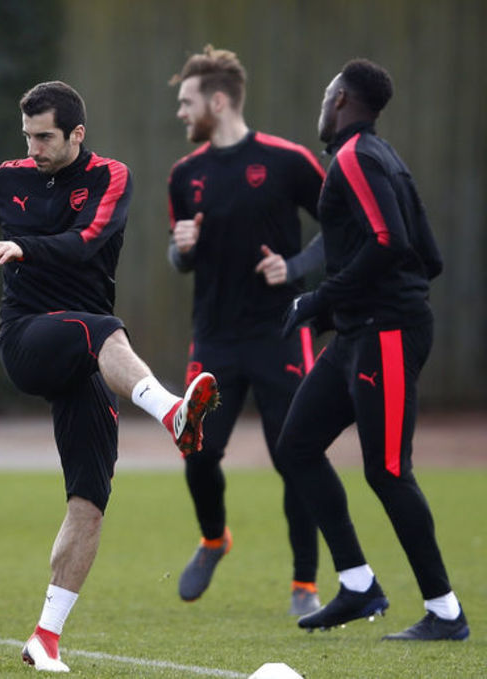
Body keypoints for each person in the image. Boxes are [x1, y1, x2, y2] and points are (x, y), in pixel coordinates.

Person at [0, 81, 219, 673]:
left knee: (89, 500)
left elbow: (88, 240)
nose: (34, 148)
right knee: (103, 329)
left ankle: (46, 637)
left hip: (85, 358)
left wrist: (24, 248)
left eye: (45, 137)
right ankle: (172, 411)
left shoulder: (111, 177)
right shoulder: (8, 179)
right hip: (27, 339)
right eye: (28, 136)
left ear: (77, 134)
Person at [280, 59, 467, 641]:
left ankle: (445, 612)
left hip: (385, 332)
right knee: (297, 446)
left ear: (340, 98)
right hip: (360, 332)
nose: (322, 105)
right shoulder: (384, 157)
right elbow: (428, 256)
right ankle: (359, 585)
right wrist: (339, 311)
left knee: (387, 472)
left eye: (325, 94)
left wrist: (319, 299)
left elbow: (390, 241)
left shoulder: (356, 157)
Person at [165, 46, 327, 613]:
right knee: (197, 451)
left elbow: (343, 226)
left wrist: (296, 266)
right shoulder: (184, 175)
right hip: (214, 337)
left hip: (280, 333)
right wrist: (182, 248)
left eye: (187, 102)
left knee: (295, 457)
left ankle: (305, 585)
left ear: (218, 101)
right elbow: (179, 257)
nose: (181, 113)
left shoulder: (288, 161)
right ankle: (214, 539)